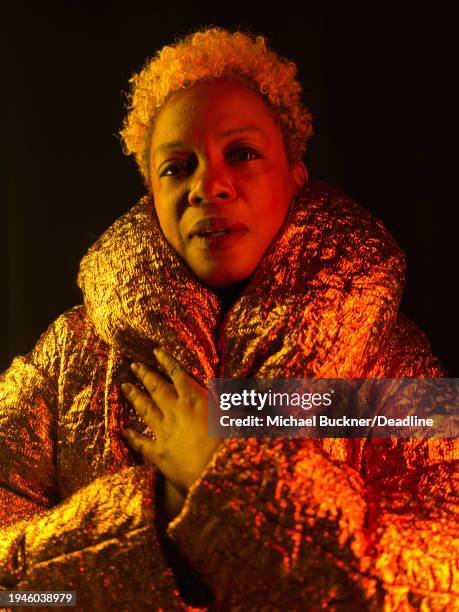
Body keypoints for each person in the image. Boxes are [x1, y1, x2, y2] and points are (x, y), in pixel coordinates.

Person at [1, 27, 456, 611]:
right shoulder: (68, 355)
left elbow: (436, 584)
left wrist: (224, 472)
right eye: (176, 167)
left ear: (295, 175)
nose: (208, 186)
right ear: (151, 196)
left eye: (241, 153)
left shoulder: (395, 365)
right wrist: (148, 517)